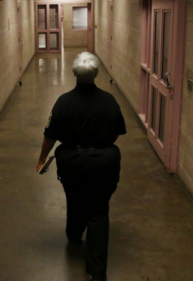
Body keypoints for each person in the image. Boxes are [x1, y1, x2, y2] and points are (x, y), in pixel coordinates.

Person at [35, 52, 126, 281]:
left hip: (72, 163)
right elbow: (116, 133)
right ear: (96, 73)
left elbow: (50, 135)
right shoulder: (109, 100)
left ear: (75, 74)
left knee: (75, 198)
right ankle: (97, 271)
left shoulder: (63, 102)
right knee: (98, 210)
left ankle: (74, 233)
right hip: (104, 163)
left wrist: (41, 158)